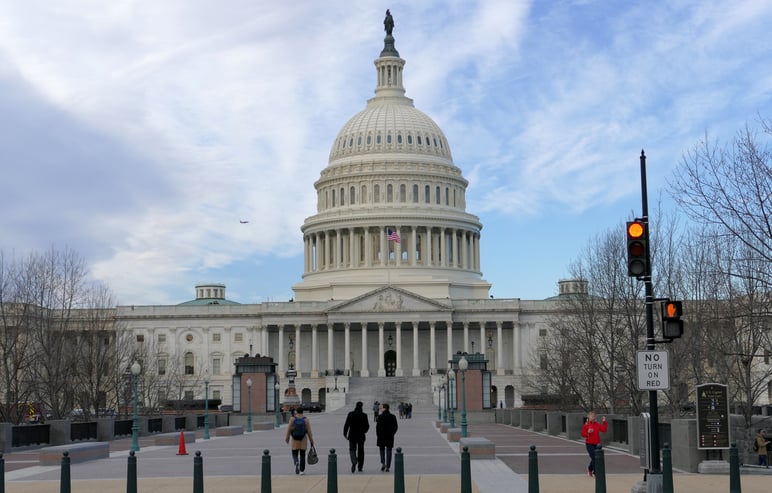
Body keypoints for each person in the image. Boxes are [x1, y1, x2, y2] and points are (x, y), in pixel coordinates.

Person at [285, 407, 314, 475]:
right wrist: (311, 441)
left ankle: (296, 462)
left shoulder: (292, 419)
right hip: (303, 440)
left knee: (294, 453)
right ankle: (302, 470)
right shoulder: (306, 420)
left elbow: (289, 429)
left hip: (295, 440)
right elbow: (309, 431)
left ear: (296, 411)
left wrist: (287, 438)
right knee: (302, 455)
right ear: (302, 412)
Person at [343, 401, 370, 473]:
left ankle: (354, 462)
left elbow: (346, 425)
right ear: (362, 406)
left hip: (352, 435)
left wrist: (345, 433)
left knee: (352, 449)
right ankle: (360, 466)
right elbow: (367, 426)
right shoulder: (364, 415)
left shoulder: (351, 414)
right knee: (361, 451)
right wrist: (364, 431)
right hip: (361, 435)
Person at [581, 410, 608, 477]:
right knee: (594, 457)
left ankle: (590, 468)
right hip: (589, 443)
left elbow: (603, 430)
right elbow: (583, 434)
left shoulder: (597, 424)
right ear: (589, 417)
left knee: (595, 458)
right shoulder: (586, 425)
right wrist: (588, 433)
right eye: (592, 416)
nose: (593, 417)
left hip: (597, 444)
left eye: (594, 416)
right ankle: (595, 473)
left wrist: (604, 421)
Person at [376, 403, 399, 472]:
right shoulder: (393, 416)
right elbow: (396, 427)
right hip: (389, 436)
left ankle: (383, 463)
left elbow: (377, 427)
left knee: (382, 450)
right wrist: (392, 433)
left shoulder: (380, 417)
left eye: (381, 408)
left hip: (381, 436)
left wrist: (378, 435)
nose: (380, 409)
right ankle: (388, 466)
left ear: (384, 408)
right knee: (389, 451)